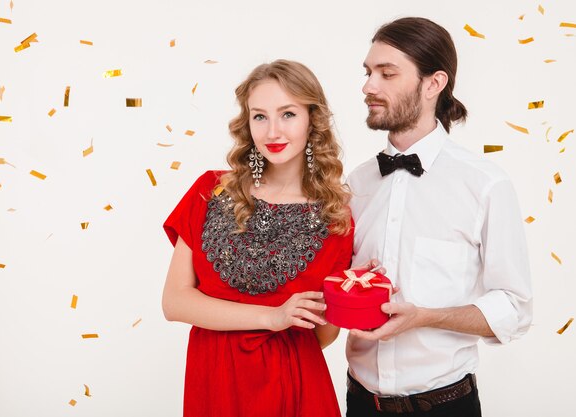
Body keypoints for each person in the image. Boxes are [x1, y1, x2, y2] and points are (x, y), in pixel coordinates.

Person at [345, 17, 533, 416]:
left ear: (433, 84)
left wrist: (425, 317)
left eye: (386, 73)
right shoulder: (356, 183)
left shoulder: (485, 184)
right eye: (368, 72)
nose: (368, 86)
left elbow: (514, 308)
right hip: (359, 402)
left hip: (447, 406)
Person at [162, 59, 354, 417]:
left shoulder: (336, 218)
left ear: (313, 118)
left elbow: (321, 336)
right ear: (247, 123)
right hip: (214, 384)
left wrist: (351, 296)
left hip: (295, 386)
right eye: (260, 116)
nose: (272, 132)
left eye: (288, 114)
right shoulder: (209, 191)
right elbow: (174, 302)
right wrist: (273, 317)